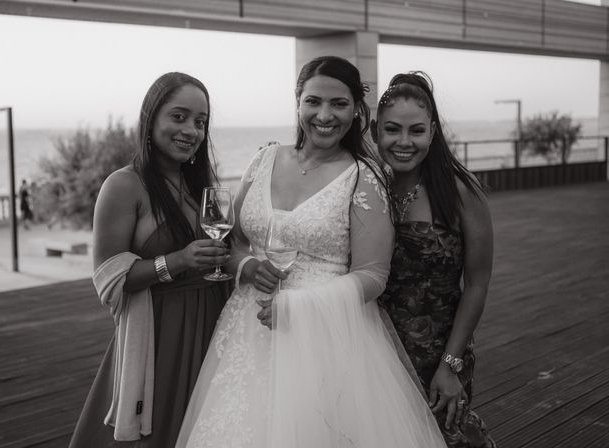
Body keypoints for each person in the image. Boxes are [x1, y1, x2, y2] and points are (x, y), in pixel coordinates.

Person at [176, 57, 446, 447]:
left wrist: (299, 308)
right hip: (247, 330)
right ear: (298, 102)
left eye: (339, 104)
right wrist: (248, 266)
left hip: (325, 337)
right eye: (313, 101)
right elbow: (230, 241)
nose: (325, 115)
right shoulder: (263, 159)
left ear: (356, 110)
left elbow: (373, 275)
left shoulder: (362, 177)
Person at [69, 72, 231, 447]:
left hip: (212, 324)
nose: (191, 130)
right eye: (179, 116)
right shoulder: (125, 185)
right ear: (151, 118)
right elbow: (109, 279)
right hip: (161, 336)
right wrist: (177, 261)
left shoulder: (200, 185)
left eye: (200, 122)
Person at [371, 71, 497, 447]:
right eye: (392, 130)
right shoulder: (369, 184)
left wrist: (450, 364)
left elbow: (477, 284)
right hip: (374, 348)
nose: (404, 142)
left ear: (433, 131)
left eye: (416, 131)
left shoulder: (461, 191)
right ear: (377, 130)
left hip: (439, 352)